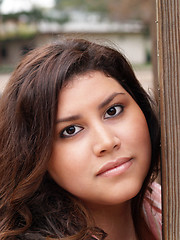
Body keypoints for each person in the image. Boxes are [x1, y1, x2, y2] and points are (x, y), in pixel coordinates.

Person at [0, 38, 161, 240]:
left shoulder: (162, 204)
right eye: (71, 130)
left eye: (113, 111)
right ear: (36, 155)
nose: (106, 142)